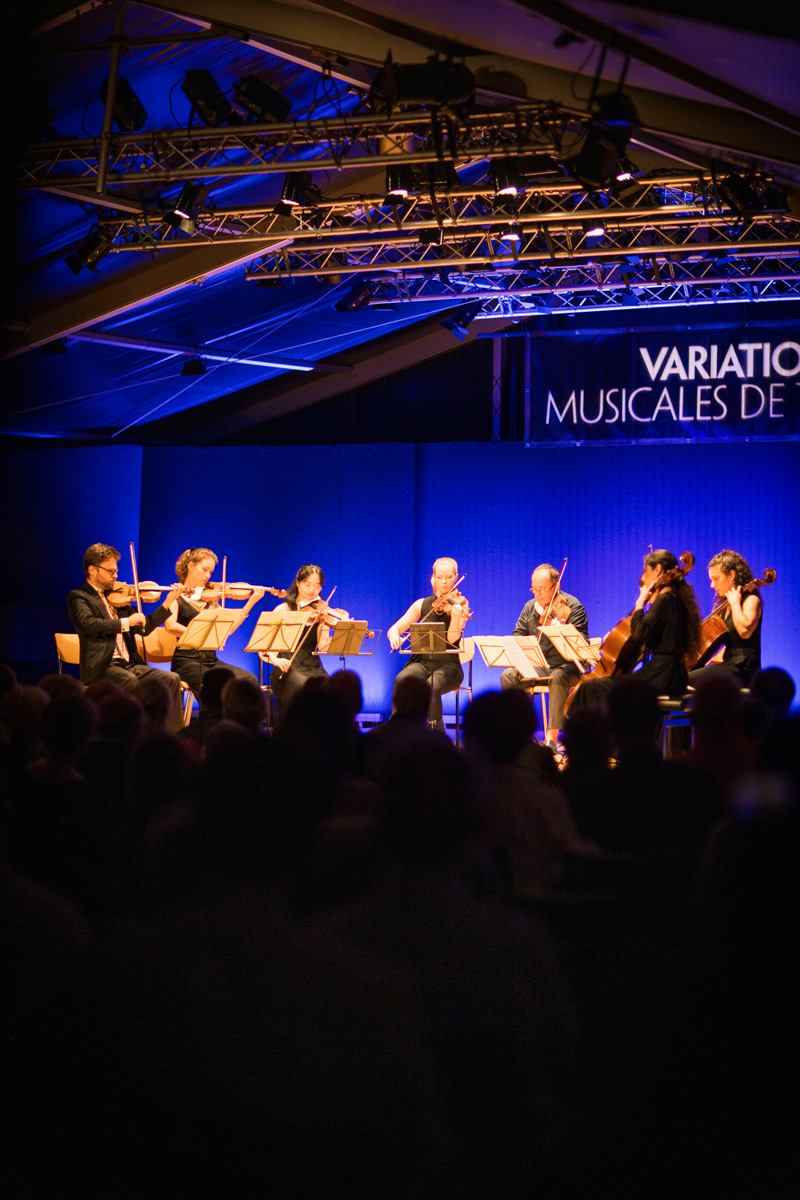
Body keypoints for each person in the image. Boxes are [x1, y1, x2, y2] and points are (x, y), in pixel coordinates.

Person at [66, 543, 184, 731]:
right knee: (129, 680)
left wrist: (167, 603)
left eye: (116, 571)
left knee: (172, 678)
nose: (116, 575)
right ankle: (133, 733)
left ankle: (172, 734)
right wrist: (126, 622)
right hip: (102, 666)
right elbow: (88, 624)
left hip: (129, 664)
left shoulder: (118, 598)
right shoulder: (79, 597)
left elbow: (143, 629)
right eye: (111, 571)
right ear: (92, 570)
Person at [570, 549, 702, 714]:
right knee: (606, 686)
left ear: (657, 570)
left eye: (646, 572)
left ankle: (586, 730)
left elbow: (640, 632)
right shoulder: (676, 600)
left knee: (590, 688)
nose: (644, 578)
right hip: (673, 675)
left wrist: (640, 604)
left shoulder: (665, 600)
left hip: (662, 675)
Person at [501, 563, 588, 749]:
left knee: (558, 676)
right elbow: (517, 634)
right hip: (539, 666)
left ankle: (551, 737)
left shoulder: (573, 606)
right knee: (508, 675)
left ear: (556, 586)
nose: (537, 594)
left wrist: (563, 632)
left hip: (566, 667)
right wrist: (522, 643)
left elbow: (581, 644)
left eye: (542, 589)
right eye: (534, 589)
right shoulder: (530, 607)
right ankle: (520, 733)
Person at [164, 548, 264, 699]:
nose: (208, 576)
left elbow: (228, 629)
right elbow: (170, 626)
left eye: (210, 572)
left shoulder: (211, 599)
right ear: (190, 566)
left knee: (249, 679)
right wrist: (200, 634)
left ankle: (243, 715)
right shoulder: (175, 597)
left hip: (211, 661)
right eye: (204, 570)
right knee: (215, 687)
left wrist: (250, 603)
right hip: (187, 662)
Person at [387, 557, 468, 730]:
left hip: (449, 666)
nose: (444, 582)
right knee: (401, 680)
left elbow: (452, 640)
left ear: (456, 577)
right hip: (421, 662)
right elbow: (395, 628)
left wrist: (456, 617)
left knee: (432, 685)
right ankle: (397, 730)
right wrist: (395, 637)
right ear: (433, 578)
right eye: (440, 577)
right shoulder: (421, 604)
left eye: (448, 577)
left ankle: (436, 734)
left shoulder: (460, 604)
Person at [267, 564, 343, 717]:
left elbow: (323, 645)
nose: (312, 590)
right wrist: (275, 659)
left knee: (333, 690)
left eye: (317, 586)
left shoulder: (321, 611)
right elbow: (266, 647)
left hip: (313, 666)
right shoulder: (283, 610)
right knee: (304, 687)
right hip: (287, 666)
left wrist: (341, 633)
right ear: (297, 583)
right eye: (307, 585)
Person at [688, 550, 763, 690]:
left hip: (743, 669)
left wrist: (735, 603)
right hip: (729, 666)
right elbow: (726, 648)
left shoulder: (751, 600)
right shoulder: (726, 608)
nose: (712, 585)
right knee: (681, 678)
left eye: (715, 579)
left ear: (731, 575)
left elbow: (744, 631)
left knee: (685, 680)